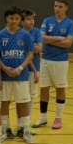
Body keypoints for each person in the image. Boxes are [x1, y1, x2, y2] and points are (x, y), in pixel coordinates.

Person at [33, 0, 73, 130]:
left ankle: (58, 118)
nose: (57, 9)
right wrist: (57, 38)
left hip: (60, 61)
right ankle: (42, 117)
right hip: (45, 59)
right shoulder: (47, 20)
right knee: (44, 88)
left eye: (60, 6)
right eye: (55, 6)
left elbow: (68, 43)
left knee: (60, 88)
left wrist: (49, 39)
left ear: (66, 8)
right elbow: (41, 37)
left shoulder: (70, 23)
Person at [0, 6, 35, 144]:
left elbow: (30, 55)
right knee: (4, 103)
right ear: (6, 18)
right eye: (11, 18)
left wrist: (20, 68)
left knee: (23, 103)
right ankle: (4, 130)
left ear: (20, 19)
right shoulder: (0, 35)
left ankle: (26, 130)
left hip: (21, 75)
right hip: (5, 76)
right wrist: (4, 68)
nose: (14, 21)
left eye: (17, 18)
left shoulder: (25, 35)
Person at [20, 9, 42, 137]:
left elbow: (40, 48)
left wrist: (27, 48)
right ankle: (21, 125)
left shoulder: (36, 32)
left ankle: (26, 124)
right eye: (28, 19)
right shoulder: (19, 33)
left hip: (34, 69)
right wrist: (32, 47)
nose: (31, 21)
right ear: (22, 21)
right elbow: (34, 48)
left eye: (32, 19)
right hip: (22, 69)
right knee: (21, 98)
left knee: (31, 98)